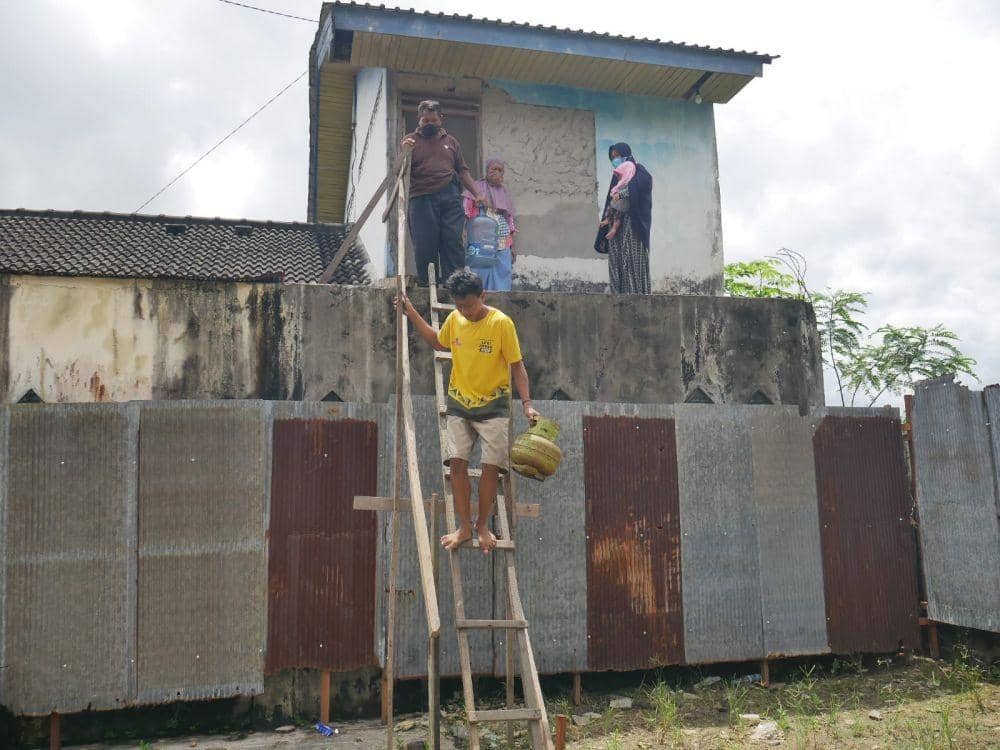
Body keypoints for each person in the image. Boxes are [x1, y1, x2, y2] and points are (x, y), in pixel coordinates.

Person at [395, 269, 539, 553]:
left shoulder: (501, 324)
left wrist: (527, 404)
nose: (466, 312)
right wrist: (410, 312)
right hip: (460, 402)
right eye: (460, 306)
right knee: (457, 464)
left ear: (482, 297)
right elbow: (439, 342)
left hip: (494, 406)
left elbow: (517, 367)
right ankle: (463, 526)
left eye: (470, 305)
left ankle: (482, 525)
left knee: (490, 468)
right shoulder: (455, 319)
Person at [401, 100, 485, 285]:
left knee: (452, 242)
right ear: (419, 120)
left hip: (450, 197)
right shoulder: (410, 141)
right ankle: (428, 285)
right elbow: (399, 171)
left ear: (441, 119)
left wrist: (477, 193)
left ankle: (455, 285)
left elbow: (462, 170)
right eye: (425, 121)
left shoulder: (451, 142)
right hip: (421, 199)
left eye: (433, 120)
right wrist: (404, 152)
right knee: (425, 245)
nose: (429, 124)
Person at [600, 142, 652, 294]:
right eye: (612, 157)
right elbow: (612, 199)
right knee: (617, 258)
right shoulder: (618, 176)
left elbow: (641, 186)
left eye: (617, 155)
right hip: (617, 221)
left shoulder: (640, 171)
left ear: (626, 154)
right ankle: (618, 295)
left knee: (632, 259)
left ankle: (636, 295)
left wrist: (621, 194)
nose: (615, 159)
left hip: (633, 222)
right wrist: (608, 218)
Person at [461, 156, 518, 291]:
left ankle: (500, 295)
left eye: (500, 170)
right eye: (494, 169)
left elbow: (509, 219)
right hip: (481, 229)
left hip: (501, 230)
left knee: (503, 264)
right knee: (481, 263)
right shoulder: (475, 187)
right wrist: (464, 233)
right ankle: (479, 295)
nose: (497, 172)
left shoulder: (503, 192)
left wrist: (512, 246)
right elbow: (466, 210)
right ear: (487, 170)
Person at [601, 158, 636, 242]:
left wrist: (618, 195)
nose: (618, 177)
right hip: (616, 204)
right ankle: (608, 219)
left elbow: (627, 192)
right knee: (612, 209)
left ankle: (613, 228)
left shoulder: (629, 182)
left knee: (618, 214)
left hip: (622, 204)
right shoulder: (622, 181)